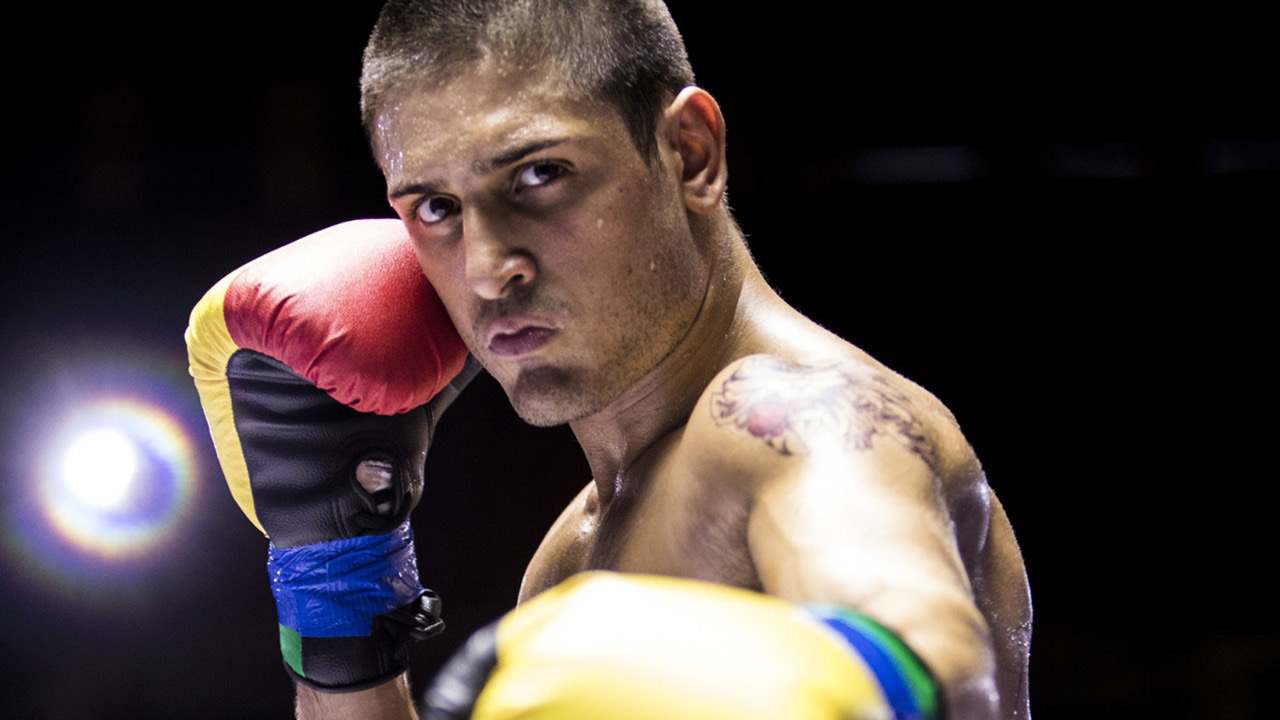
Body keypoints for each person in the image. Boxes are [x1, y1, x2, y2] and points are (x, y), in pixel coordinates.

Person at [192, 1, 1030, 718]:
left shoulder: (797, 419)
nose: (486, 268)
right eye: (438, 207)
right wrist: (339, 595)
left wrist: (863, 675)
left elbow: (940, 665)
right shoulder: (572, 551)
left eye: (539, 174)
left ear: (691, 153)